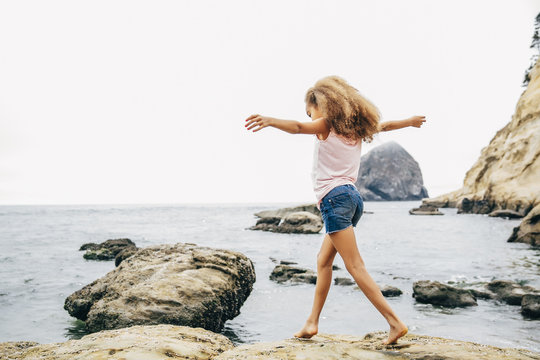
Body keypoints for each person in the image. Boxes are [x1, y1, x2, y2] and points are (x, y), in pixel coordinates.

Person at [244, 75, 426, 345]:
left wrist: (270, 120)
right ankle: (311, 323)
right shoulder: (356, 129)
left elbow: (296, 127)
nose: (310, 116)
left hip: (335, 199)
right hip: (352, 199)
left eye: (310, 111)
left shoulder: (326, 126)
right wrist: (409, 122)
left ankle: (395, 323)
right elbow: (384, 126)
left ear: (321, 105)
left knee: (355, 266)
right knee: (323, 262)